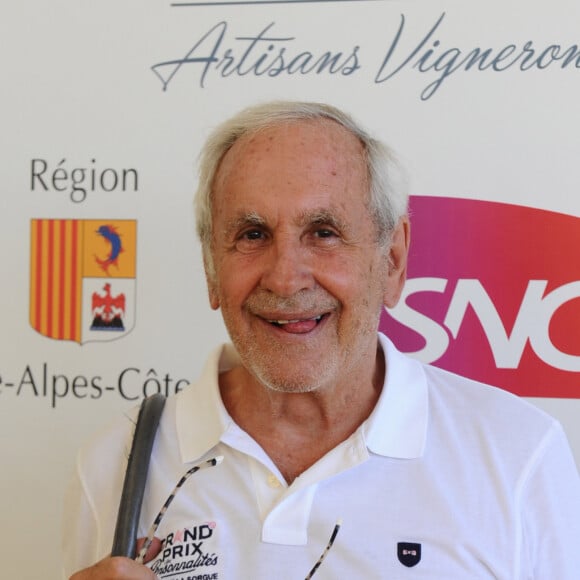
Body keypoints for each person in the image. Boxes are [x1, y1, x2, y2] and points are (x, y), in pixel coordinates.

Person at [63, 101, 580, 579]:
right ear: (210, 270)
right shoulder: (116, 461)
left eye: (324, 232)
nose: (286, 279)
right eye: (252, 234)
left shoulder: (517, 457)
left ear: (393, 261)